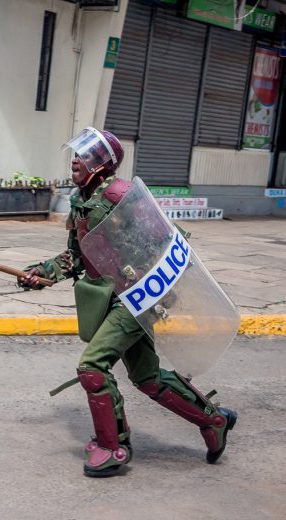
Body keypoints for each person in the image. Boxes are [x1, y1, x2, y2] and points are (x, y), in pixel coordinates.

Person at [19, 128, 236, 477]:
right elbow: (78, 257)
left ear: (102, 164)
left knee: (92, 367)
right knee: (148, 377)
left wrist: (155, 293)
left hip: (139, 296)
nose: (76, 159)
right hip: (115, 296)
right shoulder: (82, 199)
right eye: (75, 154)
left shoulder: (119, 195)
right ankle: (214, 420)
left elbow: (164, 240)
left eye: (85, 156)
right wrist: (40, 272)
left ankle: (113, 446)